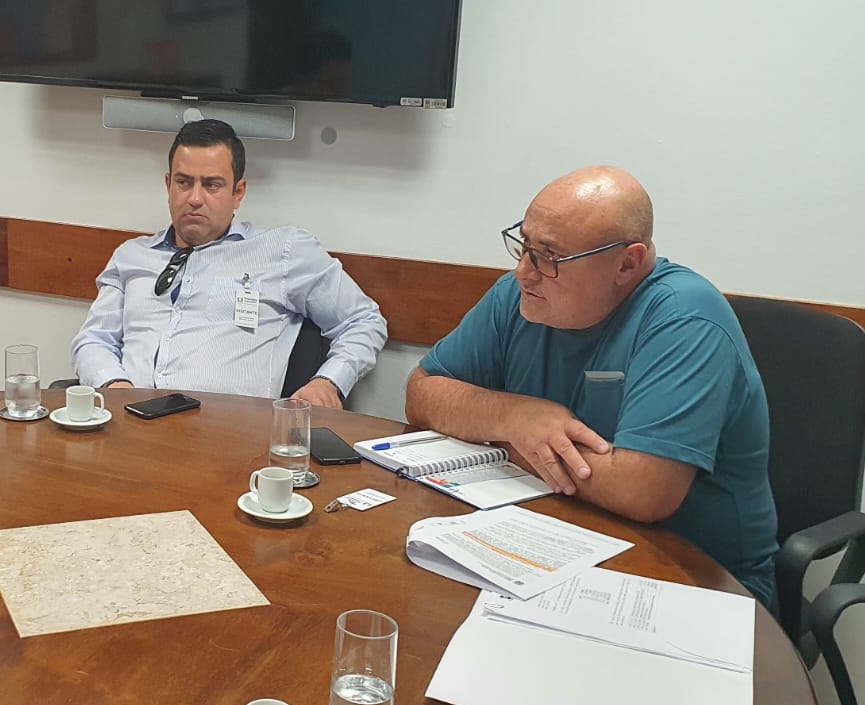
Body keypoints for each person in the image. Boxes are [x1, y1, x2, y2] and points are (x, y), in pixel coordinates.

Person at [403, 166, 778, 606]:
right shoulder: (519, 295)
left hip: (699, 586)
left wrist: (505, 439)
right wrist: (514, 416)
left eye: (549, 256)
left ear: (627, 263)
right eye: (524, 245)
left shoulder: (686, 318)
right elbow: (422, 393)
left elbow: (643, 491)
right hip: (552, 548)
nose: (524, 271)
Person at [70, 119, 387, 407]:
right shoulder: (131, 255)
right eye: (183, 182)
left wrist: (328, 383)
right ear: (168, 185)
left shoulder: (284, 250)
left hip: (225, 435)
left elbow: (363, 320)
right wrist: (115, 386)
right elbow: (94, 339)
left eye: (211, 185)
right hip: (128, 423)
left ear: (238, 193)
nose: (195, 198)